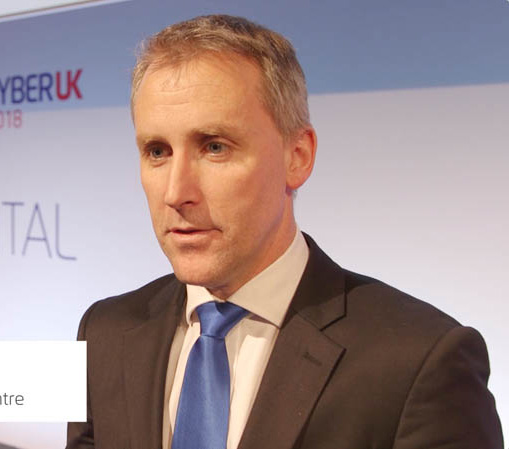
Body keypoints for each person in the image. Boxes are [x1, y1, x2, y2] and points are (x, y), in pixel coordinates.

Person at [66, 14, 503, 449]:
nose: (176, 193)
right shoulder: (99, 331)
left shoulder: (424, 360)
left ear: (298, 157)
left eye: (215, 147)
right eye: (157, 151)